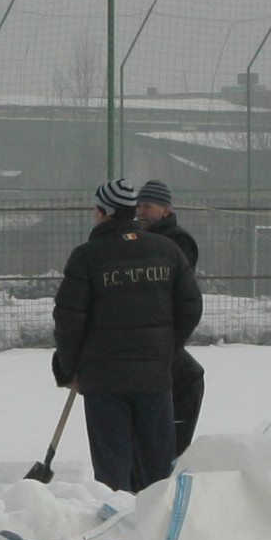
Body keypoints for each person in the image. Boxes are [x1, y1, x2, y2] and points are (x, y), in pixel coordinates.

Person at [54, 180, 201, 494]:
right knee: (158, 470)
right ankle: (159, 529)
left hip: (104, 381)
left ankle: (115, 529)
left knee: (113, 471)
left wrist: (71, 368)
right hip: (154, 378)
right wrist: (165, 351)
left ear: (102, 212)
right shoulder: (167, 250)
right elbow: (190, 307)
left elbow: (69, 320)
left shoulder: (86, 257)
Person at [135, 179, 209, 464]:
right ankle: (163, 451)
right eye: (139, 205)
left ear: (165, 209)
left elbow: (179, 293)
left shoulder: (178, 243)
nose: (141, 211)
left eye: (147, 206)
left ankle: (174, 449)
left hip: (162, 334)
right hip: (152, 336)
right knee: (183, 380)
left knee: (187, 379)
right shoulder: (139, 239)